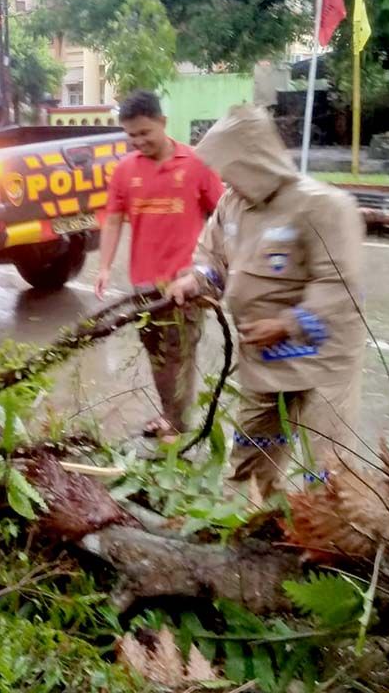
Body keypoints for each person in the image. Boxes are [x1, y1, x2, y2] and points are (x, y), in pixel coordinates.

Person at [167, 105, 366, 499]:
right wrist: (196, 281)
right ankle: (255, 528)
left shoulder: (323, 207)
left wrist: (288, 323)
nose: (225, 180)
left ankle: (326, 546)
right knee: (252, 456)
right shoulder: (231, 206)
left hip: (320, 363)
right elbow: (212, 259)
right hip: (264, 361)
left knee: (325, 470)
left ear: (254, 160)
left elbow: (340, 285)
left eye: (231, 169)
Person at [94, 90, 225, 438]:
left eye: (145, 133)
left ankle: (177, 428)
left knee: (179, 354)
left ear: (163, 123)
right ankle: (171, 415)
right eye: (131, 135)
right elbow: (113, 218)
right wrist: (105, 266)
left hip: (186, 282)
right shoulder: (125, 171)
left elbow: (224, 217)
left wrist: (218, 269)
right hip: (143, 284)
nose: (139, 141)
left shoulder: (197, 163)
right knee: (155, 354)